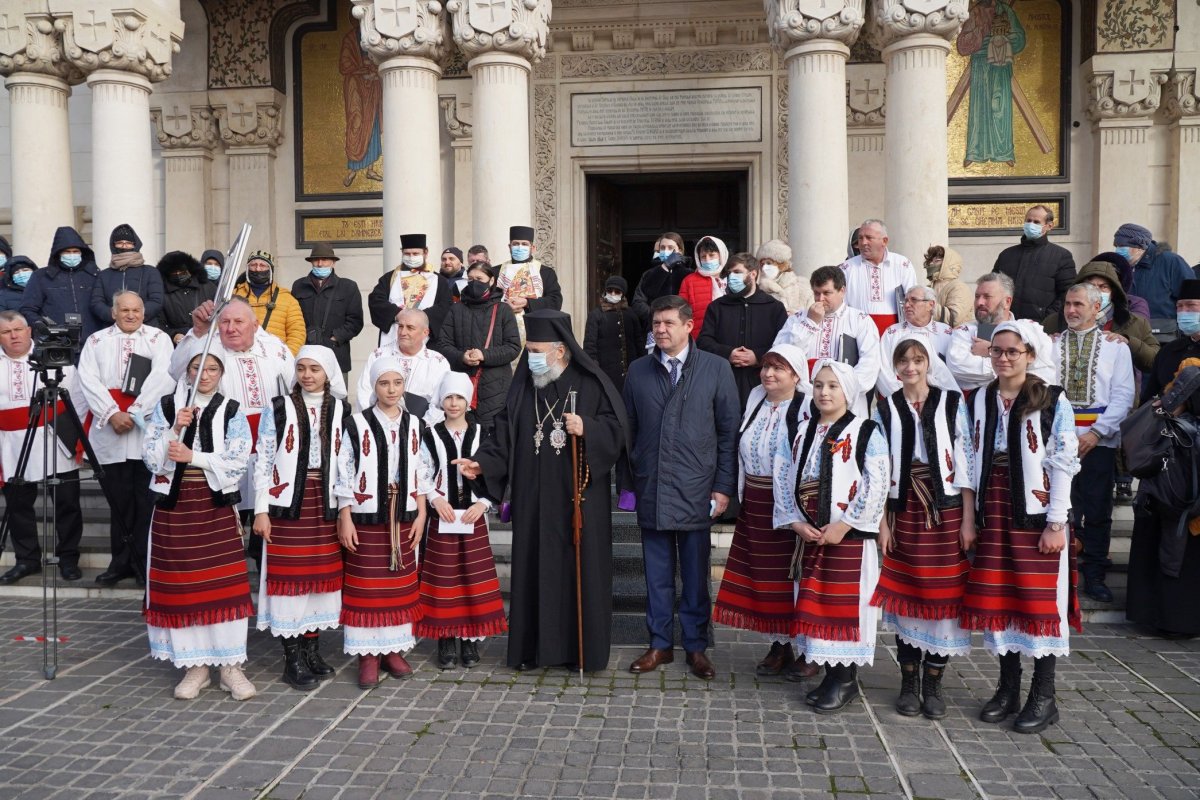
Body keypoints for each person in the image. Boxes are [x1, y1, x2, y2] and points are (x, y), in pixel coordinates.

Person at [455, 310, 627, 673]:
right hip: (534, 501)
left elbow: (618, 429)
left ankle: (582, 651)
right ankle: (533, 650)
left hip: (578, 500)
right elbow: (502, 432)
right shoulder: (524, 387)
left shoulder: (591, 383)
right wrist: (482, 463)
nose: (530, 357)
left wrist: (589, 428)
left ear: (560, 351)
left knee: (580, 572)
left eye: (536, 349)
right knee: (535, 571)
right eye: (528, 349)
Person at [961, 320, 1080, 734]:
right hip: (993, 509)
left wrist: (1057, 522)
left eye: (1013, 351)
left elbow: (1063, 461)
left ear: (1030, 354)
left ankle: (1043, 697)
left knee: (1038, 603)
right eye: (997, 351)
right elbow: (967, 460)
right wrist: (968, 517)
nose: (1004, 358)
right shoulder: (978, 399)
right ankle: (1007, 689)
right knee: (1000, 600)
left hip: (1036, 514)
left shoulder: (1050, 400)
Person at [623, 296, 739, 680]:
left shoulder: (715, 368)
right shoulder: (638, 371)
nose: (661, 330)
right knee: (655, 573)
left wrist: (723, 487)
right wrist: (629, 485)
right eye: (656, 323)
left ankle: (695, 646)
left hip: (697, 487)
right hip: (653, 484)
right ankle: (659, 644)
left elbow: (727, 433)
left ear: (689, 326)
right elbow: (629, 433)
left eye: (669, 323)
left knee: (694, 573)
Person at [142, 341, 256, 701]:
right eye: (197, 368)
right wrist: (173, 429)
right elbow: (150, 457)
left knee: (224, 588)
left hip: (214, 505)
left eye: (212, 369)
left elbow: (239, 459)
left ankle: (229, 666)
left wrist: (195, 456)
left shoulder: (232, 410)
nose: (204, 376)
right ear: (186, 371)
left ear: (221, 374)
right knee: (184, 588)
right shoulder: (165, 408)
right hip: (174, 509)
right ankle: (195, 666)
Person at [772, 359, 888, 713]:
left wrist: (844, 524)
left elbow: (876, 482)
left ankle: (845, 678)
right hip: (809, 535)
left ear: (847, 392)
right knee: (817, 607)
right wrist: (794, 521)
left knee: (843, 608)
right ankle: (829, 674)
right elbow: (783, 473)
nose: (824, 392)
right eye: (819, 385)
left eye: (833, 386)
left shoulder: (865, 430)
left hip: (846, 537)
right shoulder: (802, 429)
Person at [870, 332, 975, 720]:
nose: (910, 367)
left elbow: (964, 462)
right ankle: (908, 682)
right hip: (905, 510)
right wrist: (883, 523)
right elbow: (878, 470)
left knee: (943, 599)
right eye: (903, 361)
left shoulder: (951, 402)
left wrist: (967, 519)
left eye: (917, 360)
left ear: (929, 363)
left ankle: (934, 684)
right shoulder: (886, 408)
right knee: (907, 595)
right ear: (895, 368)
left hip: (943, 509)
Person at [252, 346, 350, 691]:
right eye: (302, 368)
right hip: (287, 504)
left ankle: (312, 649)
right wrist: (261, 508)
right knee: (289, 582)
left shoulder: (340, 409)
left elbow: (347, 461)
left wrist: (344, 509)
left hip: (325, 503)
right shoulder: (279, 408)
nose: (308, 375)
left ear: (328, 373)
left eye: (315, 369)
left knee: (319, 582)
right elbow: (263, 459)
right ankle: (291, 659)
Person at [712, 344, 811, 676]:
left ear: (796, 375)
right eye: (766, 366)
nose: (769, 373)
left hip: (790, 505)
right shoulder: (755, 399)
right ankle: (780, 645)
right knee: (767, 579)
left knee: (793, 577)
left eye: (778, 368)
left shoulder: (806, 407)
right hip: (755, 500)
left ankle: (808, 650)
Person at [335, 356, 432, 688]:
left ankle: (392, 649)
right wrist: (345, 516)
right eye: (384, 383)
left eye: (397, 383)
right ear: (374, 386)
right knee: (367, 589)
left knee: (400, 587)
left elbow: (421, 470)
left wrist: (421, 513)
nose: (391, 390)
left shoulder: (416, 424)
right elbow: (344, 471)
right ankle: (367, 654)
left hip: (404, 516)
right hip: (366, 516)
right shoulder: (357, 424)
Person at [77, 291, 174, 587]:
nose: (130, 315)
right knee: (118, 502)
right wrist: (111, 412)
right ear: (113, 312)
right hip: (110, 430)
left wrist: (134, 413)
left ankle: (144, 563)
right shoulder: (96, 341)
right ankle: (119, 562)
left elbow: (162, 377)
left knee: (146, 503)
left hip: (145, 430)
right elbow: (88, 380)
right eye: (124, 310)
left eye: (136, 310)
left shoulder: (159, 339)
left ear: (144, 312)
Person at [1047, 285, 1135, 604]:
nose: (1071, 310)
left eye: (1078, 304)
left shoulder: (1116, 348)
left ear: (1096, 307)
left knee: (1098, 510)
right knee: (1062, 507)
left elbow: (1123, 396)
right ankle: (1061, 572)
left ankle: (1095, 573)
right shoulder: (1051, 345)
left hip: (1099, 442)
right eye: (1068, 304)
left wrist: (1096, 434)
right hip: (1058, 440)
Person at [416, 373, 508, 669]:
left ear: (469, 401)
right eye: (449, 397)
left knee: (472, 578)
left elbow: (496, 471)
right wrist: (434, 498)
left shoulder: (484, 433)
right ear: (441, 400)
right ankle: (445, 639)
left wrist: (483, 503)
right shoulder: (429, 433)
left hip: (471, 515)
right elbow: (421, 470)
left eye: (459, 398)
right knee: (445, 580)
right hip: (442, 516)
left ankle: (470, 640)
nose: (454, 403)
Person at [1128, 279, 1200, 637]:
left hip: (1197, 460)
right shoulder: (1172, 351)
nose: (1186, 312)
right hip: (1168, 456)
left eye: (1193, 306)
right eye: (1182, 306)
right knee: (1159, 526)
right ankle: (1154, 614)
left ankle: (1187, 619)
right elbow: (1152, 395)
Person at [0, 311, 87, 584]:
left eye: (18, 329)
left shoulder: (55, 358)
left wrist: (76, 438)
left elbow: (79, 401)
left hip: (55, 438)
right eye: (6, 331)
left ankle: (68, 558)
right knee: (18, 506)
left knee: (67, 503)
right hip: (12, 443)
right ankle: (26, 559)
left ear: (30, 331)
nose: (13, 335)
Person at [772, 265, 881, 418]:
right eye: (816, 293)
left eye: (827, 293)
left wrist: (841, 390)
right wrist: (809, 323)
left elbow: (870, 362)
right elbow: (782, 356)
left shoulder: (860, 320)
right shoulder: (797, 319)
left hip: (846, 401)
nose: (820, 299)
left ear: (842, 291)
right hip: (804, 398)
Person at [433, 263, 521, 433]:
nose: (474, 283)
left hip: (496, 388)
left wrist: (484, 355)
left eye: (479, 279)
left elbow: (513, 346)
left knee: (491, 439)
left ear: (491, 280)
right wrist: (461, 357)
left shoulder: (503, 310)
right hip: (461, 385)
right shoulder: (456, 309)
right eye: (470, 279)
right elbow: (443, 344)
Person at [698, 253, 788, 407]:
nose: (732, 277)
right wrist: (729, 353)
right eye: (729, 272)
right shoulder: (717, 307)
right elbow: (703, 342)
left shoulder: (774, 307)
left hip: (762, 384)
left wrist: (758, 356)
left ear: (753, 274)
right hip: (723, 382)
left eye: (737, 272)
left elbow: (784, 346)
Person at [1042, 260, 1159, 375]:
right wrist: (1044, 343)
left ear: (1113, 292)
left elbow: (1155, 362)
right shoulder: (1054, 321)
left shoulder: (1134, 323)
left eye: (1103, 287)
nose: (1096, 291)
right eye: (1090, 286)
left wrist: (1129, 342)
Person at [357, 309, 451, 419]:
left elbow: (440, 403)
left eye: (410, 328)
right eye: (400, 326)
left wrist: (419, 427)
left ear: (425, 333)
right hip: (379, 425)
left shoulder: (438, 362)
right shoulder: (379, 355)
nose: (403, 332)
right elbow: (364, 393)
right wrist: (376, 422)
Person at [290, 242, 364, 381]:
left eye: (324, 259)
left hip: (336, 353)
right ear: (311, 262)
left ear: (333, 263)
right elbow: (293, 318)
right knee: (306, 399)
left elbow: (355, 322)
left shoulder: (348, 287)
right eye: (316, 260)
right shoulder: (299, 286)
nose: (320, 264)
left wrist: (334, 339)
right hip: (306, 353)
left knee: (337, 399)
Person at [20, 226, 105, 343]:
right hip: (56, 342)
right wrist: (44, 327)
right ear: (58, 253)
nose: (71, 255)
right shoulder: (41, 277)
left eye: (75, 251)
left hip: (94, 340)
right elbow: (28, 309)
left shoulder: (95, 275)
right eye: (67, 251)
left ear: (82, 253)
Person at [367, 233, 455, 345]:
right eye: (407, 254)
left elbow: (445, 306)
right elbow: (376, 301)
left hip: (426, 339)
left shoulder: (439, 280)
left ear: (425, 252)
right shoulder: (389, 278)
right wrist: (398, 314)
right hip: (394, 336)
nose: (411, 257)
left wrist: (419, 317)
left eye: (415, 253)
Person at [992, 205, 1076, 322]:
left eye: (1036, 222)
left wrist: (1048, 318)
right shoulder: (1006, 255)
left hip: (1041, 328)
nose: (1031, 224)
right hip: (1006, 324)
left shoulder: (1061, 256)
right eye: (1028, 221)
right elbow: (993, 288)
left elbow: (1067, 293)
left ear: (1049, 226)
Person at [838, 219, 917, 337]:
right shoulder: (845, 268)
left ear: (884, 241)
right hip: (858, 334)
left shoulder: (902, 264)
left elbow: (914, 301)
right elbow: (840, 307)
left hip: (896, 334)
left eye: (869, 238)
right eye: (860, 238)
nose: (863, 242)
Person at [876, 286, 953, 397]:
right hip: (901, 399)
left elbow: (951, 372)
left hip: (939, 398)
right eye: (906, 300)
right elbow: (882, 371)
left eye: (914, 300)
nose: (907, 305)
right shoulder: (892, 333)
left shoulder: (946, 332)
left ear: (930, 305)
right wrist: (903, 398)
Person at [494, 226, 564, 343]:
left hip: (536, 330)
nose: (520, 247)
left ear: (533, 248)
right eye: (515, 243)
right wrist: (504, 306)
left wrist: (527, 302)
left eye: (524, 244)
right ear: (509, 247)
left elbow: (555, 301)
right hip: (502, 330)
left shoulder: (545, 272)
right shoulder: (496, 271)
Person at [1115, 222, 1196, 323]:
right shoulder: (1119, 266)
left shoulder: (1171, 262)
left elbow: (1192, 299)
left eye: (1122, 246)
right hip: (1129, 330)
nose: (1118, 250)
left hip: (1165, 332)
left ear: (1140, 248)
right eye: (1116, 245)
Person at [233, 250, 306, 356]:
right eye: (253, 265)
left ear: (271, 270)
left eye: (263, 265)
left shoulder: (287, 299)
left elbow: (297, 333)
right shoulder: (233, 296)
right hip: (239, 358)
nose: (257, 269)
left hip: (275, 359)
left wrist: (286, 357)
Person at [90, 224, 165, 324]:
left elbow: (156, 301)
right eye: (120, 243)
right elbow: (97, 303)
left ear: (135, 245)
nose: (124, 246)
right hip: (112, 329)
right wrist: (116, 316)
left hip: (145, 328)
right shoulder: (104, 275)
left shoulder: (150, 272)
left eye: (129, 243)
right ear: (113, 245)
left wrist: (134, 316)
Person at [583, 276, 644, 394]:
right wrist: (595, 370)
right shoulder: (596, 315)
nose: (613, 294)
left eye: (617, 292)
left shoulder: (631, 314)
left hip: (631, 373)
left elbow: (639, 341)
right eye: (610, 291)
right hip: (606, 372)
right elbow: (590, 345)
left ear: (623, 294)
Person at [631, 233, 691, 329]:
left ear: (679, 250)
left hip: (681, 327)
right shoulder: (648, 274)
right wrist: (657, 317)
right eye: (662, 248)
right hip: (655, 328)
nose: (665, 251)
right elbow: (638, 303)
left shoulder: (688, 274)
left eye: (670, 247)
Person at [157, 251, 217, 345]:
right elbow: (159, 324)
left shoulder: (208, 287)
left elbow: (220, 313)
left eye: (181, 271)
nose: (178, 274)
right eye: (174, 272)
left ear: (190, 269)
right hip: (179, 344)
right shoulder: (162, 293)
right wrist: (174, 335)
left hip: (208, 341)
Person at [678, 235, 727, 337]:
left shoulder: (733, 279)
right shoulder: (689, 281)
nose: (707, 260)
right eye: (703, 256)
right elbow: (681, 313)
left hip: (729, 340)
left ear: (721, 255)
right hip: (698, 339)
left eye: (712, 255)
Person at [755, 239, 811, 315]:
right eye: (762, 264)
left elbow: (810, 316)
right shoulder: (758, 290)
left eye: (769, 263)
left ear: (781, 264)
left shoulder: (802, 287)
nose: (765, 267)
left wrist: (795, 315)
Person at [924, 245, 972, 328]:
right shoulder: (928, 287)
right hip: (932, 336)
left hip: (954, 338)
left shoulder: (959, 287)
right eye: (930, 261)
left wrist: (924, 305)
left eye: (937, 260)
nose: (931, 263)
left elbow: (953, 318)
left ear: (949, 264)